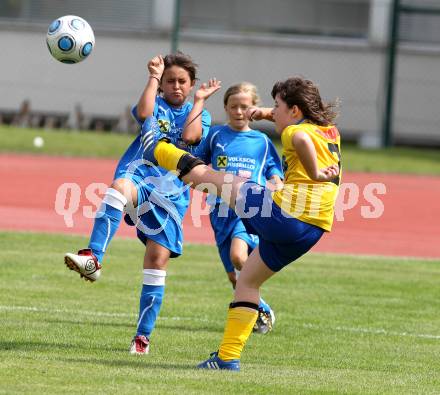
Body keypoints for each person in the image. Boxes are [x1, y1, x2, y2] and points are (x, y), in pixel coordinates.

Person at [140, 76, 341, 371]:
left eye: (278, 106)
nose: (273, 111)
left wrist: (315, 172)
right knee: (247, 280)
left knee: (212, 179)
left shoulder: (295, 132)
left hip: (284, 215)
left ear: (295, 111)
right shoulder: (329, 131)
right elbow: (295, 124)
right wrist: (265, 114)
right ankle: (227, 359)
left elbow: (297, 137)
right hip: (312, 230)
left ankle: (155, 149)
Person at [64, 52, 221, 355]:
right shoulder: (157, 102)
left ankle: (142, 337)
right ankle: (93, 257)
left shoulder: (199, 112)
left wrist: (200, 100)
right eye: (170, 81)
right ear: (162, 84)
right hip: (141, 179)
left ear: (191, 85)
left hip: (172, 196)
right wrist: (152, 77)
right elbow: (145, 112)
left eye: (182, 81)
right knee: (119, 186)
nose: (176, 86)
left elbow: (190, 137)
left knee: (156, 261)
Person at [195, 82, 283, 334]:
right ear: (225, 107)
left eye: (244, 107)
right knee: (234, 277)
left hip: (248, 209)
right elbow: (198, 163)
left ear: (254, 109)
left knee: (238, 256)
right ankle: (260, 307)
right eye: (233, 106)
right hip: (219, 211)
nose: (238, 111)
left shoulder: (262, 141)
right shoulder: (215, 135)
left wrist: (276, 181)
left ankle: (258, 298)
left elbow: (274, 170)